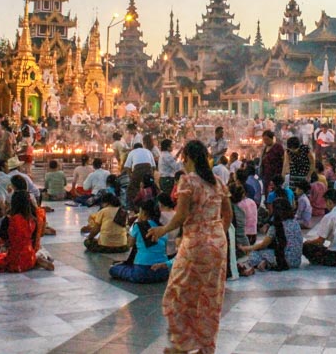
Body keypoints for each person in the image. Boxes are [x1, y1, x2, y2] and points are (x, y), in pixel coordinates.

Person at [148, 140, 232, 354]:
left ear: (188, 157)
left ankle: (182, 345)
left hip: (196, 242)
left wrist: (162, 230)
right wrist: (215, 233)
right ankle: (204, 346)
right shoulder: (218, 181)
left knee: (177, 293)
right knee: (209, 297)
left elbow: (182, 216)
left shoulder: (188, 181)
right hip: (218, 242)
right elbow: (228, 215)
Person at [109, 199, 170, 284]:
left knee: (113, 269)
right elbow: (165, 249)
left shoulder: (138, 226)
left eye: (140, 212)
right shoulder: (163, 228)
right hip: (163, 272)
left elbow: (129, 244)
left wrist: (130, 230)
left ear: (144, 213)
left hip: (142, 272)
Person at [239, 197, 303, 273]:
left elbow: (262, 245)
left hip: (284, 260)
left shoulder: (276, 226)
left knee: (255, 254)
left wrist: (245, 248)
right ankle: (266, 263)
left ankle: (260, 264)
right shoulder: (295, 223)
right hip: (296, 261)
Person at [0, 190, 42, 273]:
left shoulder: (9, 220)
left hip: (14, 260)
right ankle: (37, 260)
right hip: (29, 257)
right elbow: (35, 241)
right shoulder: (33, 220)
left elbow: (2, 241)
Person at [302, 189, 336, 267]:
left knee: (306, 247)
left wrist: (307, 242)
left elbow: (320, 241)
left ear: (329, 202)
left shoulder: (330, 216)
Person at [124, 142, 156, 209]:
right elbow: (153, 167)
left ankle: (131, 208)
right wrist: (151, 177)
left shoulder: (132, 152)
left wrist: (130, 176)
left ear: (133, 148)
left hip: (138, 170)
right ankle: (152, 206)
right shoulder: (148, 151)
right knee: (150, 188)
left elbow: (126, 167)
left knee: (131, 189)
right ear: (142, 147)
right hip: (148, 169)